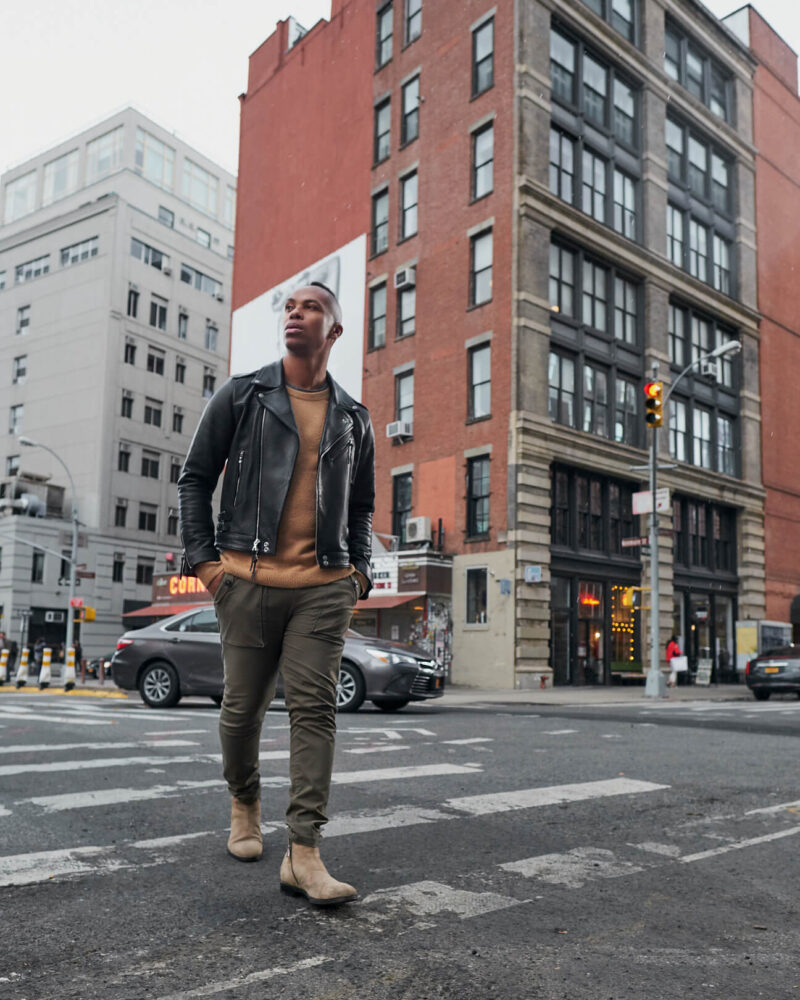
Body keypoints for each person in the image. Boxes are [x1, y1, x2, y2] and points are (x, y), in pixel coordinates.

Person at [178, 281, 374, 907]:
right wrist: (207, 566)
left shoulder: (353, 417)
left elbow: (363, 507)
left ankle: (304, 852)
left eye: (311, 306)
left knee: (314, 712)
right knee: (241, 714)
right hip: (247, 580)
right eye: (290, 306)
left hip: (322, 587)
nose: (296, 313)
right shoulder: (244, 395)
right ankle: (243, 800)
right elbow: (195, 479)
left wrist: (358, 573)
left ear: (334, 331)